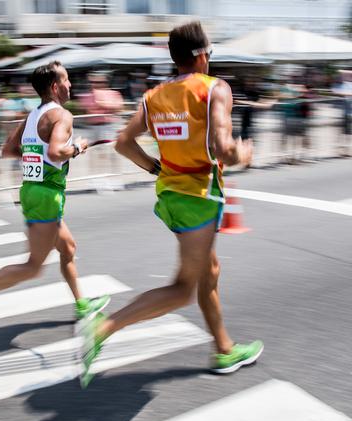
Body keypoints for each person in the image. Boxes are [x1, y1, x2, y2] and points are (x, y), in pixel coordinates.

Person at [78, 22, 263, 387]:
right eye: (210, 53)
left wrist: (154, 166)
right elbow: (223, 148)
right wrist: (243, 153)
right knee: (183, 289)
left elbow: (123, 142)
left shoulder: (154, 96)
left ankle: (224, 349)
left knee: (209, 274)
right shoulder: (215, 89)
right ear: (201, 55)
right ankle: (102, 328)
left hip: (170, 195)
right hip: (197, 198)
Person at [0, 61, 110, 337]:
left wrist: (37, 154)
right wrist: (78, 147)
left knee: (68, 249)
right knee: (33, 267)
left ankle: (82, 304)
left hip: (34, 190)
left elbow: (8, 150)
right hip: (46, 194)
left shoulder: (33, 115)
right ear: (54, 86)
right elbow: (57, 152)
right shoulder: (62, 115)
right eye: (67, 79)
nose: (71, 84)